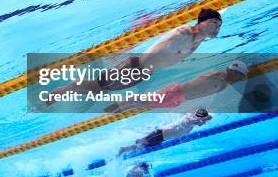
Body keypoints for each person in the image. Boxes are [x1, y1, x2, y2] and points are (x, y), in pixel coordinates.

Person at [46, 9, 222, 102]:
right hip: (134, 68)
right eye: (214, 23)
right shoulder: (185, 32)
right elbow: (162, 28)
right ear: (202, 22)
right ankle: (61, 91)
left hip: (142, 74)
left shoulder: (196, 42)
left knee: (98, 89)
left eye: (219, 26)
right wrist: (127, 45)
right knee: (96, 86)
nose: (217, 28)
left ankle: (64, 91)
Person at [105, 61, 249, 112]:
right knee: (145, 100)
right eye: (235, 74)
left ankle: (120, 108)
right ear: (231, 71)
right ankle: (116, 106)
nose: (236, 79)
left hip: (178, 98)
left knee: (146, 103)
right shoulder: (220, 76)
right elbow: (210, 76)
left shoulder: (224, 85)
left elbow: (201, 93)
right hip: (177, 92)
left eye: (238, 77)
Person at [117, 109, 212, 156]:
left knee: (141, 146)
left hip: (161, 137)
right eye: (204, 120)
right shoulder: (191, 120)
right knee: (141, 143)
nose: (204, 123)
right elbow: (201, 119)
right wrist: (205, 118)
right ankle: (123, 149)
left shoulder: (191, 118)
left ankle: (124, 149)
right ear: (200, 118)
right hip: (159, 134)